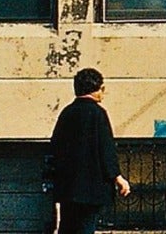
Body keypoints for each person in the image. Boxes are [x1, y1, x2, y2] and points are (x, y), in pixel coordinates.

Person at [48, 67, 131, 234]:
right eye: (102, 88)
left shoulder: (67, 113)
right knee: (86, 226)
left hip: (68, 187)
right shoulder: (98, 114)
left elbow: (55, 146)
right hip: (91, 188)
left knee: (68, 226)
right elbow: (105, 149)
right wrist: (118, 178)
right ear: (97, 89)